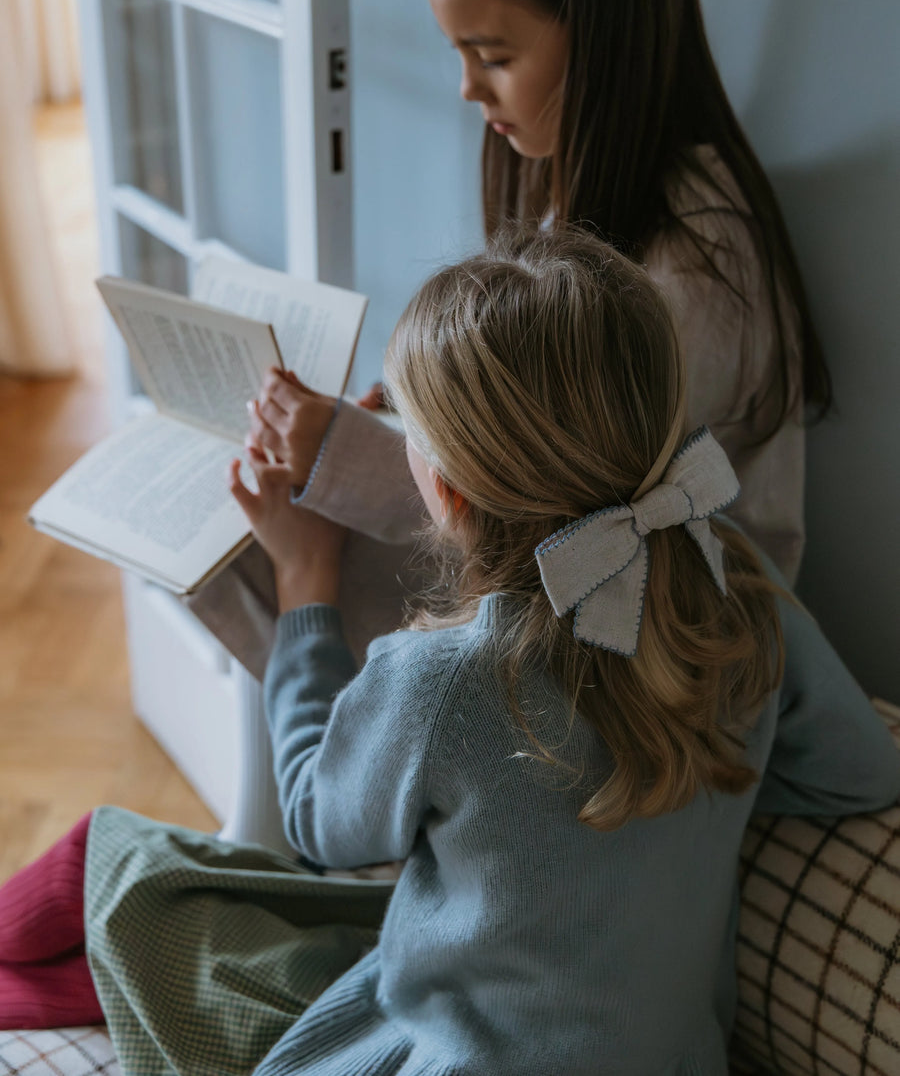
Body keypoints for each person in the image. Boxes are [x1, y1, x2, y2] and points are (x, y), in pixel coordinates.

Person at [0, 231, 895, 1075]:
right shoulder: (737, 587)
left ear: (451, 492)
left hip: (454, 1054)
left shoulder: (447, 678)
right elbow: (859, 774)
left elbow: (317, 824)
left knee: (126, 870)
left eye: (401, 424)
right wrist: (679, 782)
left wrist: (305, 585)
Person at [231, 0, 832, 649]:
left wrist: (349, 455)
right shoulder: (586, 194)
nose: (469, 91)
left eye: (495, 56)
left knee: (285, 559)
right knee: (255, 528)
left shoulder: (692, 270)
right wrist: (409, 423)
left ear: (605, 31)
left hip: (672, 645)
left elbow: (571, 524)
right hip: (575, 592)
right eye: (460, 53)